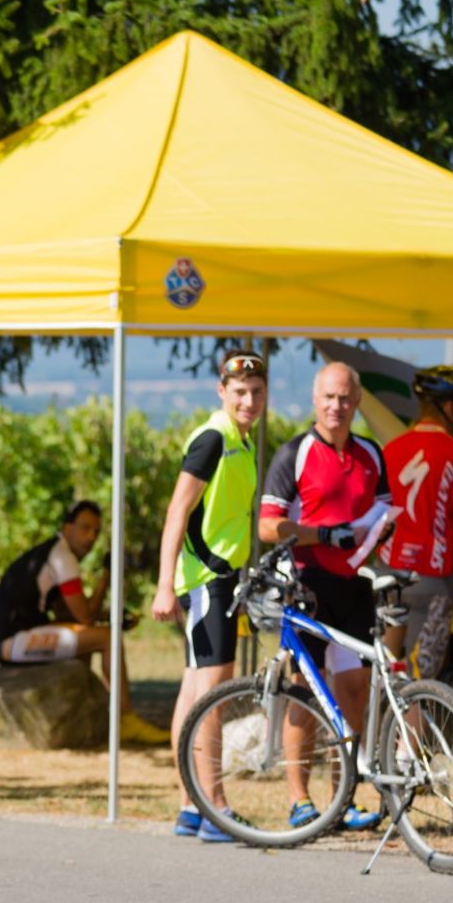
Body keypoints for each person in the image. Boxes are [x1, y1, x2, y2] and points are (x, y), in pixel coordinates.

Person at [257, 362, 391, 832]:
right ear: (316, 400)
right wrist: (321, 535)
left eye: (346, 398)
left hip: (356, 586)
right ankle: (298, 799)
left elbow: (383, 512)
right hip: (307, 586)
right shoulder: (294, 453)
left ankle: (342, 797)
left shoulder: (372, 453)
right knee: (305, 695)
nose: (337, 406)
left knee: (352, 693)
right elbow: (268, 526)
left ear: (356, 403)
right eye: (329, 397)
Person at [152, 349, 267, 841]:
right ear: (222, 391)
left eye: (257, 392)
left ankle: (190, 808)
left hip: (220, 580)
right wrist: (164, 586)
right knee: (213, 698)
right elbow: (178, 511)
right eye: (240, 392)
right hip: (207, 582)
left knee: (193, 693)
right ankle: (214, 804)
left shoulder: (238, 440)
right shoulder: (214, 438)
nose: (249, 400)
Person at [0, 502, 167, 745]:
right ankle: (125, 719)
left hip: (10, 639)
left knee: (90, 639)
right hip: (10, 642)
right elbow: (84, 617)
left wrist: (110, 615)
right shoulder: (62, 557)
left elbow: (69, 615)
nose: (91, 537)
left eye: (96, 532)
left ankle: (85, 715)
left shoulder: (52, 553)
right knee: (108, 638)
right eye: (85, 528)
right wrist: (106, 579)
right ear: (67, 528)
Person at [380, 365, 453, 681]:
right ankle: (406, 733)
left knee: (385, 667)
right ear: (449, 406)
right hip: (433, 576)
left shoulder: (390, 449)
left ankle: (372, 728)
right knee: (421, 677)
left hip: (388, 571)